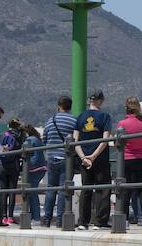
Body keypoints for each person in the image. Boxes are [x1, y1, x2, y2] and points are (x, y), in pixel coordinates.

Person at [73, 90, 114, 230]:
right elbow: (106, 138)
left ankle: (83, 222)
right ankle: (100, 222)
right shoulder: (105, 117)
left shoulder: (80, 117)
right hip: (100, 158)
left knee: (86, 189)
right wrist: (94, 156)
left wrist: (83, 157)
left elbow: (75, 140)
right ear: (100, 100)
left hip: (84, 160)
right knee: (102, 189)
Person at [115, 97, 142, 229]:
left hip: (127, 159)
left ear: (126, 108)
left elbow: (118, 144)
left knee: (126, 190)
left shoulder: (122, 124)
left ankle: (125, 220)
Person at [42, 96, 76, 226]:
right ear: (70, 107)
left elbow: (44, 140)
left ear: (58, 106)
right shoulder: (73, 121)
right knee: (63, 189)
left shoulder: (50, 121)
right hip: (66, 158)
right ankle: (61, 220)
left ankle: (47, 219)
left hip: (51, 158)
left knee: (51, 189)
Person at [0, 119, 26, 224]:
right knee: (12, 191)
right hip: (14, 166)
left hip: (3, 166)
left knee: (3, 191)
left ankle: (3, 216)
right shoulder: (21, 136)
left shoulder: (4, 135)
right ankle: (10, 216)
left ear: (9, 125)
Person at [23, 124, 46, 223]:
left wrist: (26, 166)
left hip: (34, 169)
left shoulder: (29, 140)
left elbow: (29, 154)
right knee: (33, 192)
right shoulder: (37, 139)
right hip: (41, 168)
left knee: (32, 193)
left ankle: (35, 217)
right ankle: (35, 216)